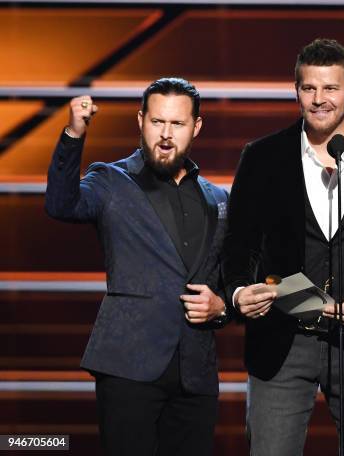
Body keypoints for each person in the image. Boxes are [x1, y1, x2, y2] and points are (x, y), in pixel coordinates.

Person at [222, 38, 344, 455]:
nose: (319, 100)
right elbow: (239, 246)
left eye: (330, 88)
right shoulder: (262, 157)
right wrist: (240, 291)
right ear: (296, 91)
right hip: (282, 340)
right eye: (309, 88)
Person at [45, 77, 229, 455]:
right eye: (157, 122)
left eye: (177, 124)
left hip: (195, 372)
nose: (165, 134)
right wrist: (73, 134)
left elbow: (229, 277)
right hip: (129, 366)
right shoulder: (111, 180)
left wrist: (222, 307)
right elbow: (61, 204)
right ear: (140, 120)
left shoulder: (218, 199)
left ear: (196, 127)